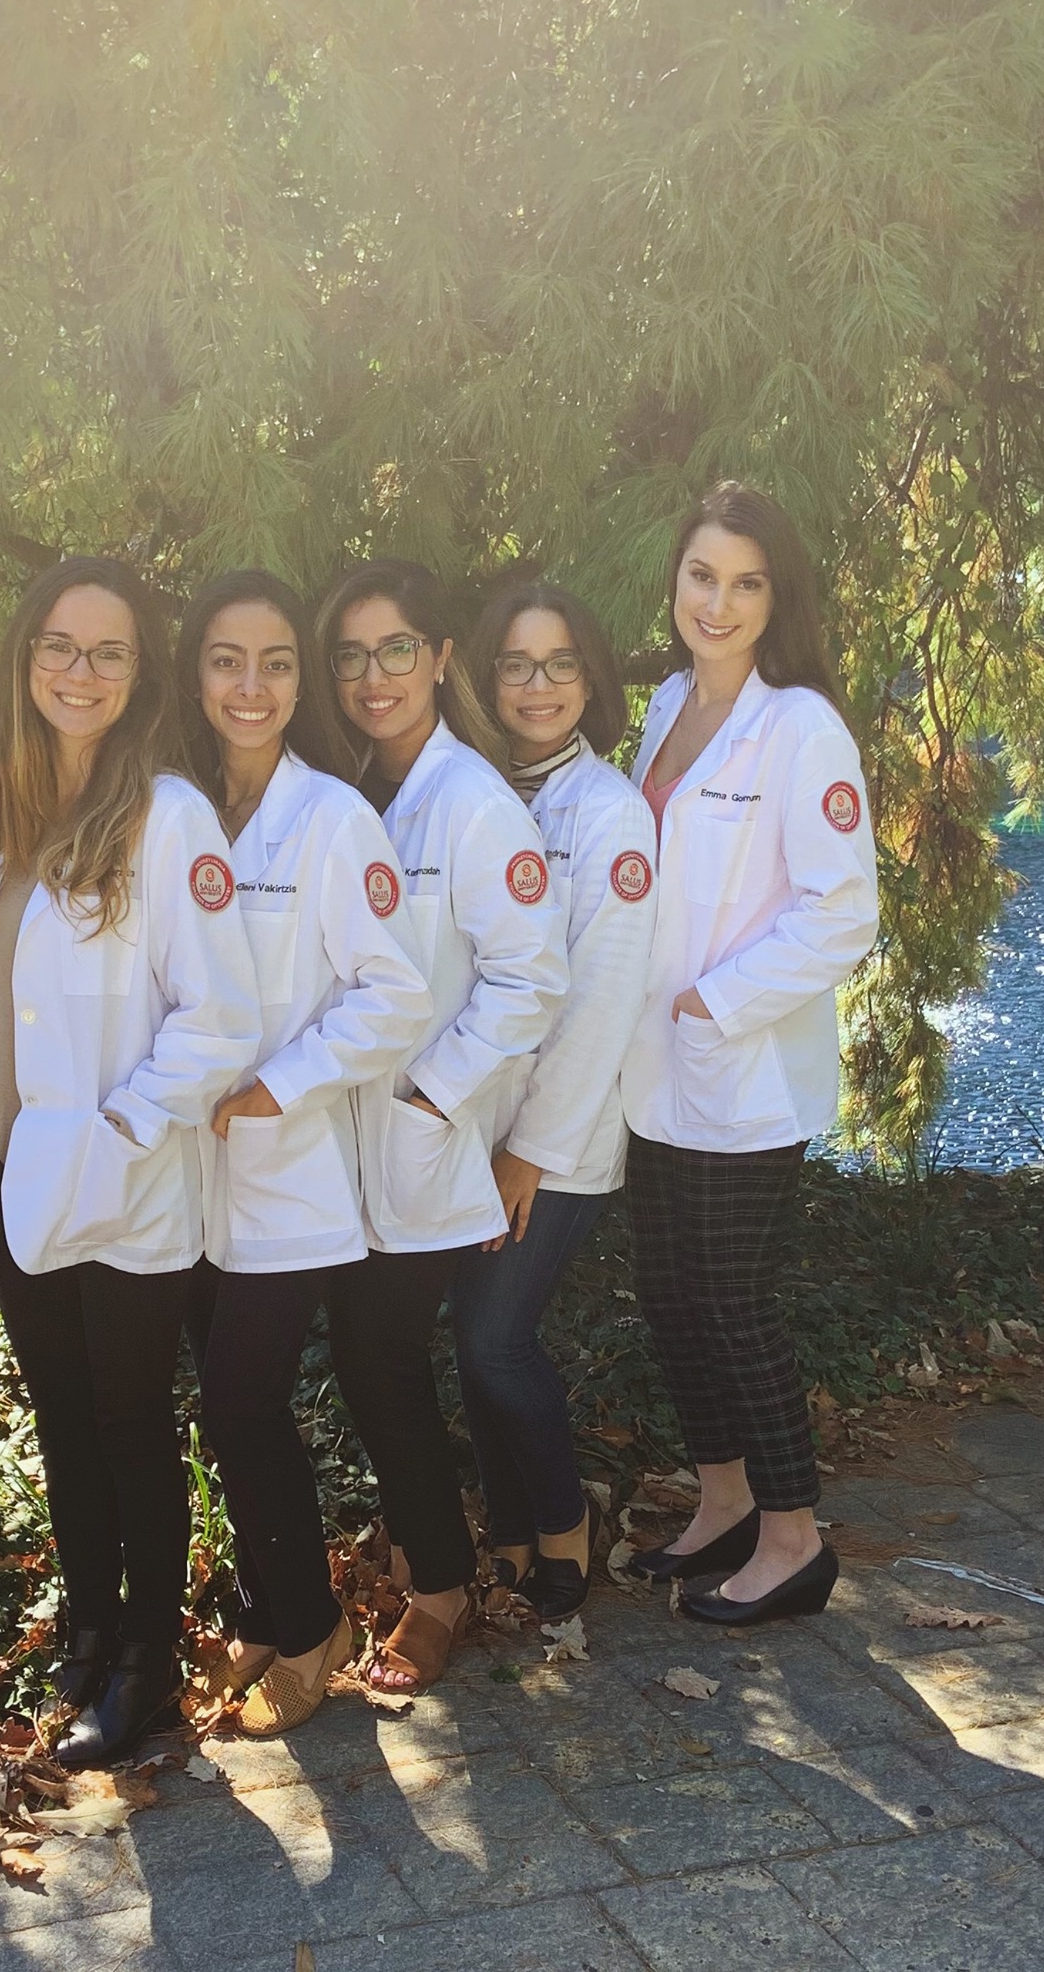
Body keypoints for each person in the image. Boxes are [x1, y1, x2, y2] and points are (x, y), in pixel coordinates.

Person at [0, 556, 261, 1764]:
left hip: (119, 1185)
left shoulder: (168, 818)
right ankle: (91, 1625)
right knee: (63, 1419)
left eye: (109, 651)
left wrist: (116, 1134)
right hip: (13, 1178)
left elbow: (219, 1019)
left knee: (127, 1421)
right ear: (25, 659)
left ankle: (149, 1666)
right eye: (60, 645)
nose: (80, 669)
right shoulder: (0, 825)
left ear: (138, 674)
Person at [177, 569, 431, 1737]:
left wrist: (279, 1083)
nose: (252, 684)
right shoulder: (171, 807)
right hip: (183, 1179)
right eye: (229, 659)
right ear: (196, 670)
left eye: (277, 661)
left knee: (242, 1401)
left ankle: (310, 1621)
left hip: (287, 1177)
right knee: (228, 1403)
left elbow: (394, 996)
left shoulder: (332, 819)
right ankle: (271, 1611)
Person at [623, 483, 879, 1627]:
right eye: (700, 576)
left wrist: (713, 1000)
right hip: (654, 1068)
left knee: (734, 1302)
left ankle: (792, 1538)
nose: (716, 602)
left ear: (777, 597)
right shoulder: (666, 703)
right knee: (673, 1296)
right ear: (673, 581)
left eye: (745, 581)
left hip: (743, 1070)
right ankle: (720, 1500)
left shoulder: (803, 728)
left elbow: (842, 915)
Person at [316, 559, 568, 1690]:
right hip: (331, 1138)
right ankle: (437, 1561)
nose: (375, 676)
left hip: (413, 1138)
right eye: (353, 655)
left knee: (379, 1359)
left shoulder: (471, 803)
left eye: (397, 649)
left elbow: (531, 977)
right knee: (367, 1360)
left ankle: (439, 1588)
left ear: (440, 658)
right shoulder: (349, 786)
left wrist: (431, 1093)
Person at [452, 580, 657, 1621]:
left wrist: (528, 1151)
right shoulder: (469, 791)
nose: (538, 686)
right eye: (516, 664)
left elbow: (601, 1004)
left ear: (592, 678)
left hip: (555, 1138)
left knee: (495, 1336)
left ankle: (566, 1516)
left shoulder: (611, 815)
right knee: (469, 1336)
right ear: (485, 677)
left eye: (561, 663)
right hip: (463, 1125)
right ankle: (516, 1525)